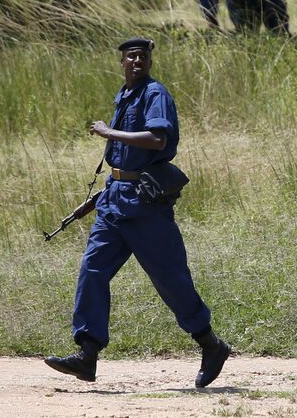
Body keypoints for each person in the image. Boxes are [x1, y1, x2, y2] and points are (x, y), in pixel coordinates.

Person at [44, 38, 230, 388]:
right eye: (131, 56)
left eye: (143, 56)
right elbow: (124, 159)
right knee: (93, 269)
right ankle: (87, 353)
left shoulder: (155, 94)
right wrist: (99, 196)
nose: (137, 61)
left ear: (149, 61)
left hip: (145, 206)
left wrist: (107, 131)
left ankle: (210, 344)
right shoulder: (124, 94)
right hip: (114, 201)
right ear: (121, 62)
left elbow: (158, 140)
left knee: (170, 279)